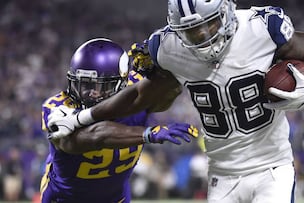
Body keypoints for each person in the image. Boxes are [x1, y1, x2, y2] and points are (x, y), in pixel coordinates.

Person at [48, 1, 304, 202]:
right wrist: (79, 118)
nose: (201, 36)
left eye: (208, 26)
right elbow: (138, 96)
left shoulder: (262, 28)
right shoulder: (168, 47)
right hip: (222, 172)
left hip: (272, 164)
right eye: (191, 31)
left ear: (226, 11)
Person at [40, 38, 198, 203]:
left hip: (116, 198)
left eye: (100, 86)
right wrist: (147, 134)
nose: (90, 93)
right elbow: (95, 136)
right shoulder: (58, 108)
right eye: (84, 85)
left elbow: (167, 93)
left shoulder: (133, 91)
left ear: (122, 84)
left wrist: (164, 67)